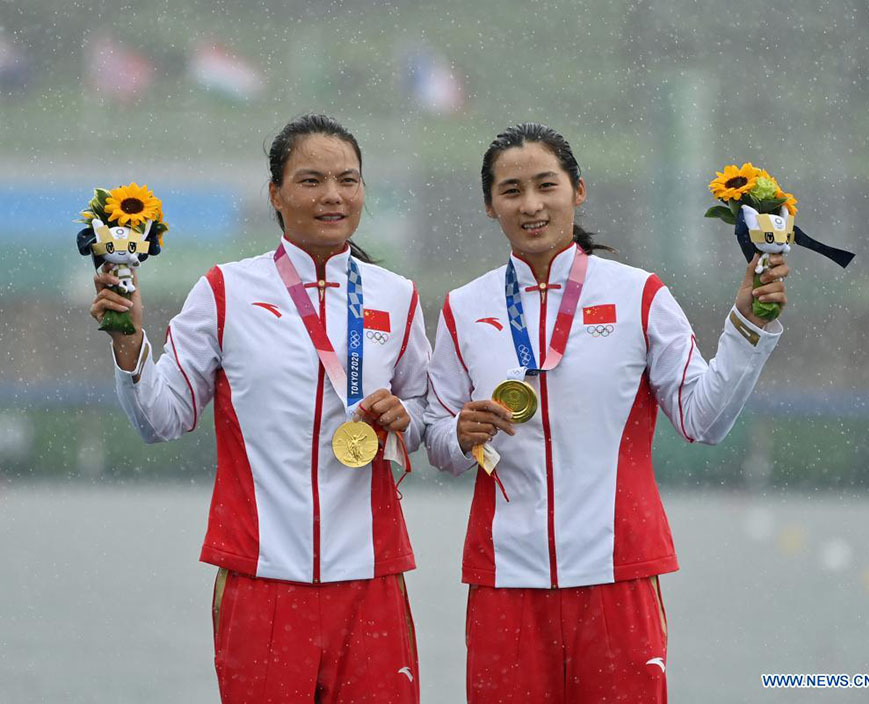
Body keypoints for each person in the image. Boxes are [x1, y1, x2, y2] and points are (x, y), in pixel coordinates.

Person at [424, 123, 789, 703]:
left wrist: (747, 327)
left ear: (578, 190)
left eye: (546, 185)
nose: (531, 204)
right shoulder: (464, 308)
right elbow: (439, 443)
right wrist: (459, 435)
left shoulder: (638, 295)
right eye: (511, 191)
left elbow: (702, 420)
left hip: (617, 574)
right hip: (505, 580)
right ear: (490, 206)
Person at [89, 114, 429, 703]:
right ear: (275, 193)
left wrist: (406, 420)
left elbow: (424, 413)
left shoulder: (397, 296)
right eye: (311, 180)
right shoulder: (226, 291)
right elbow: (159, 419)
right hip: (261, 577)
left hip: (371, 579)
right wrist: (129, 342)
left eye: (347, 180)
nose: (332, 196)